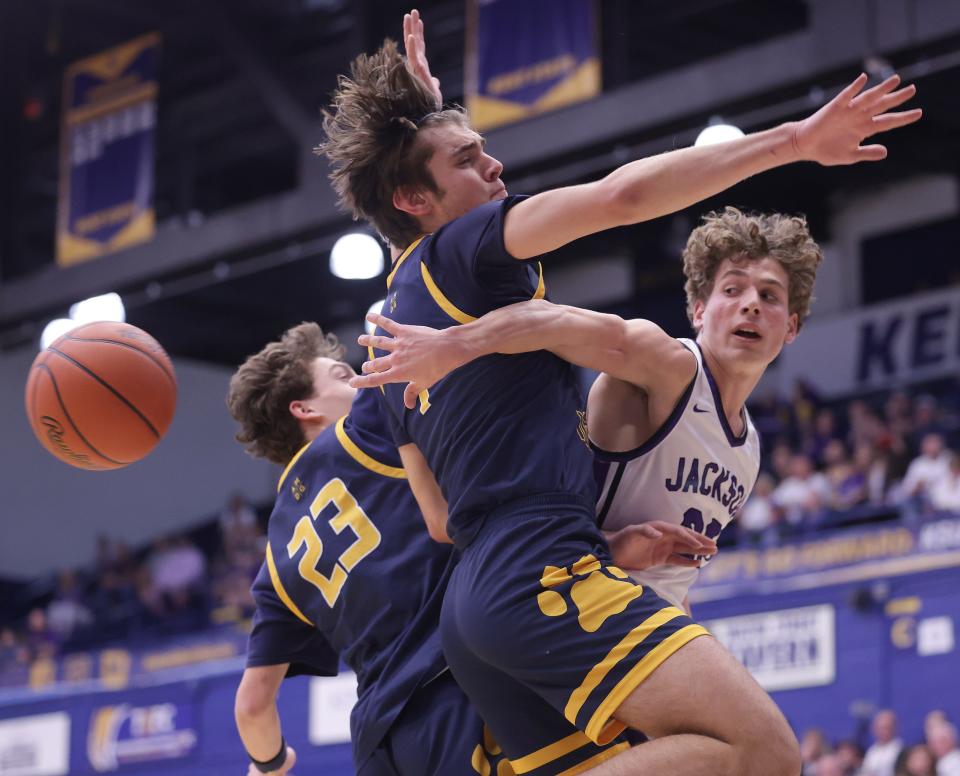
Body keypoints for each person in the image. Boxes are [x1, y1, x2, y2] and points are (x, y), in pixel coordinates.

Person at [321, 16, 920, 771]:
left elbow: (441, 521)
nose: (497, 167)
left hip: (479, 600)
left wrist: (427, 118)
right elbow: (622, 196)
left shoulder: (391, 325)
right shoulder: (474, 257)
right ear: (414, 198)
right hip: (539, 569)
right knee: (764, 750)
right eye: (472, 159)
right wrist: (796, 141)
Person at [227, 320, 702, 775]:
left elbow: (252, 704)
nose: (360, 378)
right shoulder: (369, 420)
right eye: (342, 375)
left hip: (379, 744)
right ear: (303, 410)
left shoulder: (274, 562)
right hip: (460, 692)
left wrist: (270, 765)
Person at [356, 206, 824, 611]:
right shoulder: (667, 365)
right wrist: (455, 344)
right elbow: (551, 321)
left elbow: (670, 574)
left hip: (635, 619)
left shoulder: (749, 451)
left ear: (792, 328)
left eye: (769, 296)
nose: (750, 306)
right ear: (699, 310)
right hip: (563, 598)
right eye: (732, 290)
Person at [863, 709, 904, 776]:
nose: (881, 731)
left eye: (886, 728)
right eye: (879, 728)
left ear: (895, 728)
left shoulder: (901, 750)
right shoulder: (872, 751)